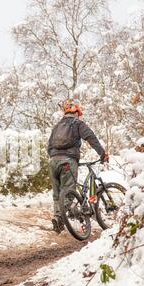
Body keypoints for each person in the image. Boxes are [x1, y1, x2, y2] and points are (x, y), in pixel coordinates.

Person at [47, 99, 109, 233]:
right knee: (69, 190)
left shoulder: (57, 126)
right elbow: (90, 137)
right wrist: (102, 154)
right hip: (68, 161)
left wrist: (55, 157)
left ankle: (57, 217)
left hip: (52, 162)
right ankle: (59, 218)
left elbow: (49, 146)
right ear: (77, 113)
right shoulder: (77, 123)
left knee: (57, 194)